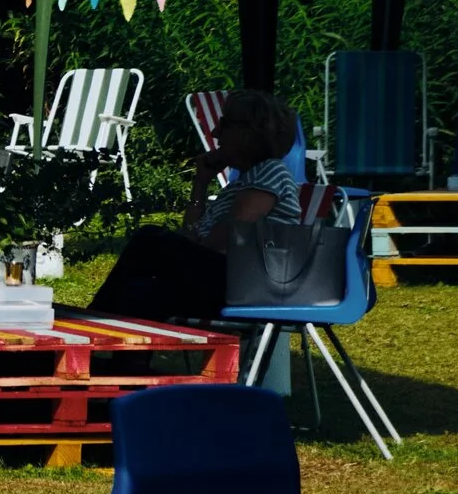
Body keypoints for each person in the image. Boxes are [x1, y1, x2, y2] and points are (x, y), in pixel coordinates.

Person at [88, 88, 302, 321]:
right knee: (140, 291)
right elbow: (194, 233)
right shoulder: (240, 183)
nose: (215, 132)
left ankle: (89, 322)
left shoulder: (271, 171)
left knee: (149, 237)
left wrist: (191, 243)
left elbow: (230, 236)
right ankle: (100, 350)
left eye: (224, 124)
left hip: (250, 286)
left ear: (247, 134)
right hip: (227, 280)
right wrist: (200, 183)